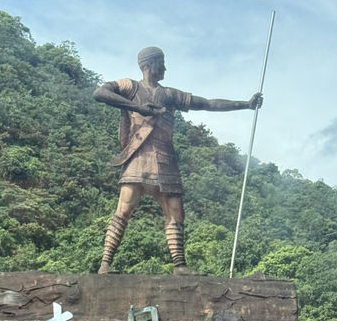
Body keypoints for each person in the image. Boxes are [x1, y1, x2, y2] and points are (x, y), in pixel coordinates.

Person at [94, 46, 262, 273]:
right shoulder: (129, 86)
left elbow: (207, 104)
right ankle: (105, 263)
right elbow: (100, 93)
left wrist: (245, 104)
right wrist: (138, 108)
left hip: (165, 159)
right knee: (123, 211)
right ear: (149, 65)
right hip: (138, 157)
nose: (165, 67)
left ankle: (179, 265)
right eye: (161, 62)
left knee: (175, 214)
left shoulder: (170, 95)